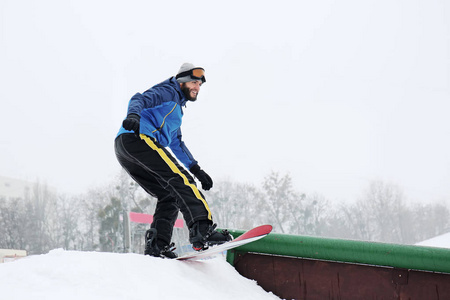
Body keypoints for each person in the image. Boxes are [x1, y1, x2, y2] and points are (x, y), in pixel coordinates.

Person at [114, 63, 231, 258]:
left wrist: (196, 169)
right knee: (182, 180)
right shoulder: (169, 91)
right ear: (182, 80)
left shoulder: (175, 112)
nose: (197, 87)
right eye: (194, 82)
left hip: (126, 147)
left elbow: (177, 143)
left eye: (200, 84)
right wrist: (134, 115)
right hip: (137, 136)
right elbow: (138, 98)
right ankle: (202, 228)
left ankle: (157, 246)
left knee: (169, 194)